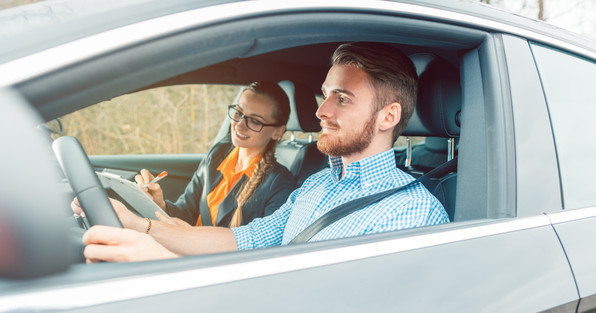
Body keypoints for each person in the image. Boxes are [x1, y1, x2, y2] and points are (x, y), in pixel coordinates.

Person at [79, 42, 450, 263]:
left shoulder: (411, 212)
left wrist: (164, 263)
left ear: (389, 116)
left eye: (342, 98)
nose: (321, 111)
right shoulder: (318, 184)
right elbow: (245, 240)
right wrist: (139, 226)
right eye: (325, 94)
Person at [136, 81, 295, 228]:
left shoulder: (279, 184)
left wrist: (191, 237)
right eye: (239, 113)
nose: (239, 125)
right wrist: (160, 204)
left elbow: (262, 245)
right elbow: (187, 211)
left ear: (277, 132)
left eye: (255, 121)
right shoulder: (218, 154)